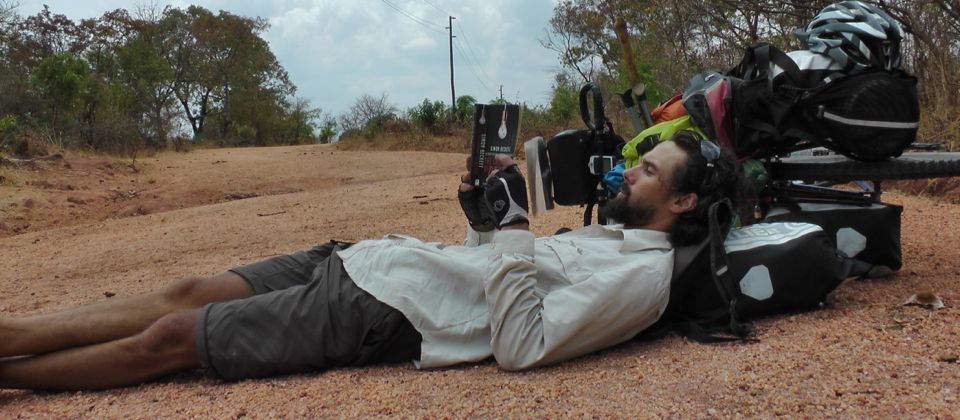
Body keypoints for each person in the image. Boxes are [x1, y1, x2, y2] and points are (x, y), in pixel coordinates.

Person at [0, 132, 740, 391]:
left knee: (171, 341)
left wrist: (515, 228)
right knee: (186, 288)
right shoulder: (608, 237)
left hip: (388, 311)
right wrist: (485, 220)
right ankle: (13, 330)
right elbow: (498, 269)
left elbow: (522, 344)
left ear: (680, 206)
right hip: (374, 261)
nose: (628, 175)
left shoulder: (640, 281)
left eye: (649, 174)